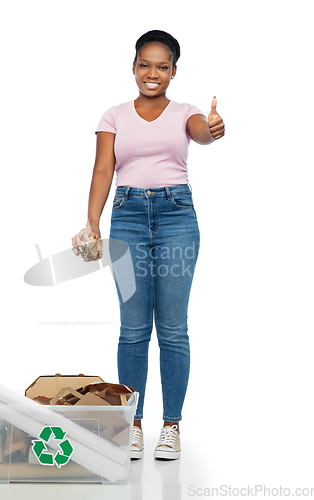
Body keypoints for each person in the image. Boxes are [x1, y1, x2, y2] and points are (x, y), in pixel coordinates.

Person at [72, 29, 225, 460]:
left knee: (173, 328)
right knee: (134, 328)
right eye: (145, 64)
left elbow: (202, 132)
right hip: (127, 221)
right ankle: (132, 423)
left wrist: (213, 129)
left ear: (174, 71)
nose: (152, 73)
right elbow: (104, 170)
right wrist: (91, 223)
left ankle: (171, 426)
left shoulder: (187, 112)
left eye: (162, 66)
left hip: (178, 218)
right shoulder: (115, 115)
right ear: (133, 66)